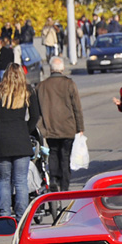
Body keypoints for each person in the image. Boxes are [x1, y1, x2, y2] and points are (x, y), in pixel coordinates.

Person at [0, 63, 40, 220]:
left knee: (3, 180)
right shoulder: (27, 91)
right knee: (21, 181)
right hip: (21, 141)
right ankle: (21, 217)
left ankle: (5, 215)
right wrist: (25, 131)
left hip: (1, 141)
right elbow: (35, 116)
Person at [36, 57, 85, 192]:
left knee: (53, 152)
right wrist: (80, 127)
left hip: (49, 127)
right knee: (65, 156)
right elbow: (77, 107)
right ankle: (64, 185)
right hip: (68, 127)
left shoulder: (41, 86)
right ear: (62, 69)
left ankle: (53, 179)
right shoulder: (69, 84)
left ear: (51, 69)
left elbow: (37, 109)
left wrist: (39, 127)